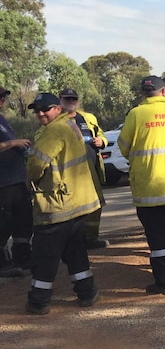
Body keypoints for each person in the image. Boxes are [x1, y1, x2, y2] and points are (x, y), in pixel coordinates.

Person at [25, 92, 101, 314]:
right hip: (75, 202)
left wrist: (30, 180)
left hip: (57, 204)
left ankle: (39, 300)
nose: (40, 114)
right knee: (75, 251)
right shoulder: (70, 125)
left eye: (45, 109)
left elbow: (36, 164)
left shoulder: (54, 130)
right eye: (36, 110)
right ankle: (87, 292)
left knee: (44, 254)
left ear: (57, 108)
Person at [118, 76, 165, 294]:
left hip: (148, 189)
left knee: (157, 237)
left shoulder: (136, 114)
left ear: (143, 94)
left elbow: (123, 146)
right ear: (163, 92)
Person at [58, 88, 109, 249]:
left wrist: (102, 141)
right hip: (71, 174)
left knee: (96, 205)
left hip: (92, 169)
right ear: (60, 100)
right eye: (67, 99)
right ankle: (75, 242)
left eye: (73, 98)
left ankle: (91, 239)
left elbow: (101, 133)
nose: (71, 101)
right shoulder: (56, 121)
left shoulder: (88, 118)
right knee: (76, 208)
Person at [0, 85, 33, 278]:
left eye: (4, 96)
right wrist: (14, 143)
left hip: (17, 180)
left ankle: (23, 256)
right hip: (2, 183)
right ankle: (2, 263)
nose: (2, 99)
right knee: (3, 222)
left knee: (23, 220)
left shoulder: (3, 120)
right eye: (0, 96)